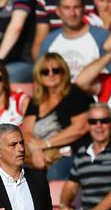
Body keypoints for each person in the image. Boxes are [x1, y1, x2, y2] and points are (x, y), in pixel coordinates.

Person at [21, 52, 91, 180]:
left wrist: (45, 144)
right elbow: (26, 131)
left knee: (55, 173)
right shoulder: (36, 101)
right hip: (38, 154)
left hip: (71, 154)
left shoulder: (74, 93)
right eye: (45, 71)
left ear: (64, 72)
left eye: (56, 70)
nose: (51, 74)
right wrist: (36, 151)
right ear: (39, 75)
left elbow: (81, 127)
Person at [39, 0, 111, 79]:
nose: (72, 13)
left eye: (76, 7)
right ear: (58, 11)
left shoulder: (102, 37)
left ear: (84, 9)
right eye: (66, 8)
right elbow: (40, 76)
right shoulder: (50, 41)